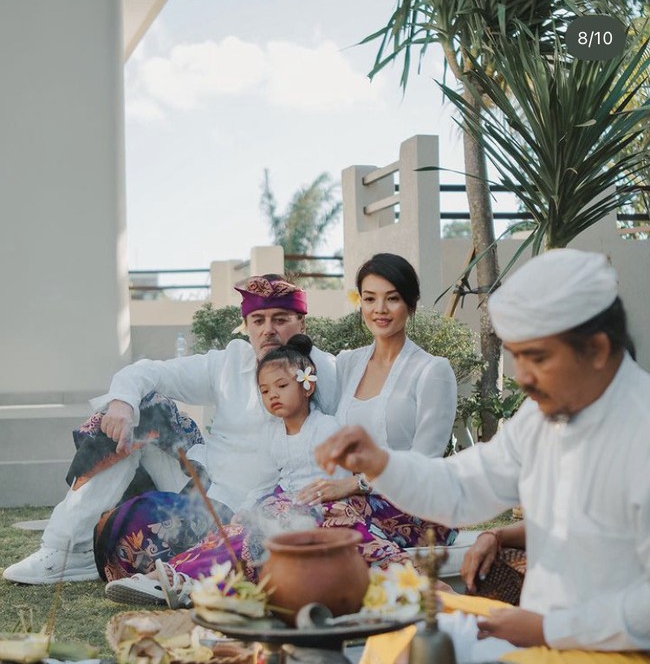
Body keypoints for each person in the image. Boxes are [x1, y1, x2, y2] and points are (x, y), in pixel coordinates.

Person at [315, 248, 650, 657]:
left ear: (597, 350)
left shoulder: (640, 431)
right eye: (517, 358)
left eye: (537, 359)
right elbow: (459, 487)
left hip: (616, 661)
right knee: (400, 636)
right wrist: (379, 463)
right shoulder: (542, 416)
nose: (523, 378)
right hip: (544, 638)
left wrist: (550, 628)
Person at [3, 275, 337, 585]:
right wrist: (122, 404)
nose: (268, 330)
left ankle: (95, 556)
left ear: (301, 322)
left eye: (280, 319)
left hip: (251, 510)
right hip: (200, 486)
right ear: (246, 325)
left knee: (136, 530)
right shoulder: (228, 363)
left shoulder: (326, 372)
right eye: (258, 320)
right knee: (141, 408)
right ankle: (62, 548)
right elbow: (149, 372)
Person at [104, 334, 411, 607]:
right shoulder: (275, 434)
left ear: (307, 386)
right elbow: (278, 479)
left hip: (324, 509)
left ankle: (186, 583)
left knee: (258, 537)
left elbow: (354, 473)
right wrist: (251, 506)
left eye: (281, 386)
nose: (272, 396)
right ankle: (173, 577)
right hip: (288, 504)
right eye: (264, 391)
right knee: (233, 532)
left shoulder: (327, 429)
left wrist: (332, 493)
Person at [296, 253, 458, 549]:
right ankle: (194, 580)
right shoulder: (347, 363)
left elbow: (422, 463)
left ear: (410, 304)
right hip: (353, 501)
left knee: (322, 518)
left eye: (392, 299)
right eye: (369, 299)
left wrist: (355, 484)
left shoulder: (432, 371)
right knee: (281, 511)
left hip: (416, 507)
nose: (379, 310)